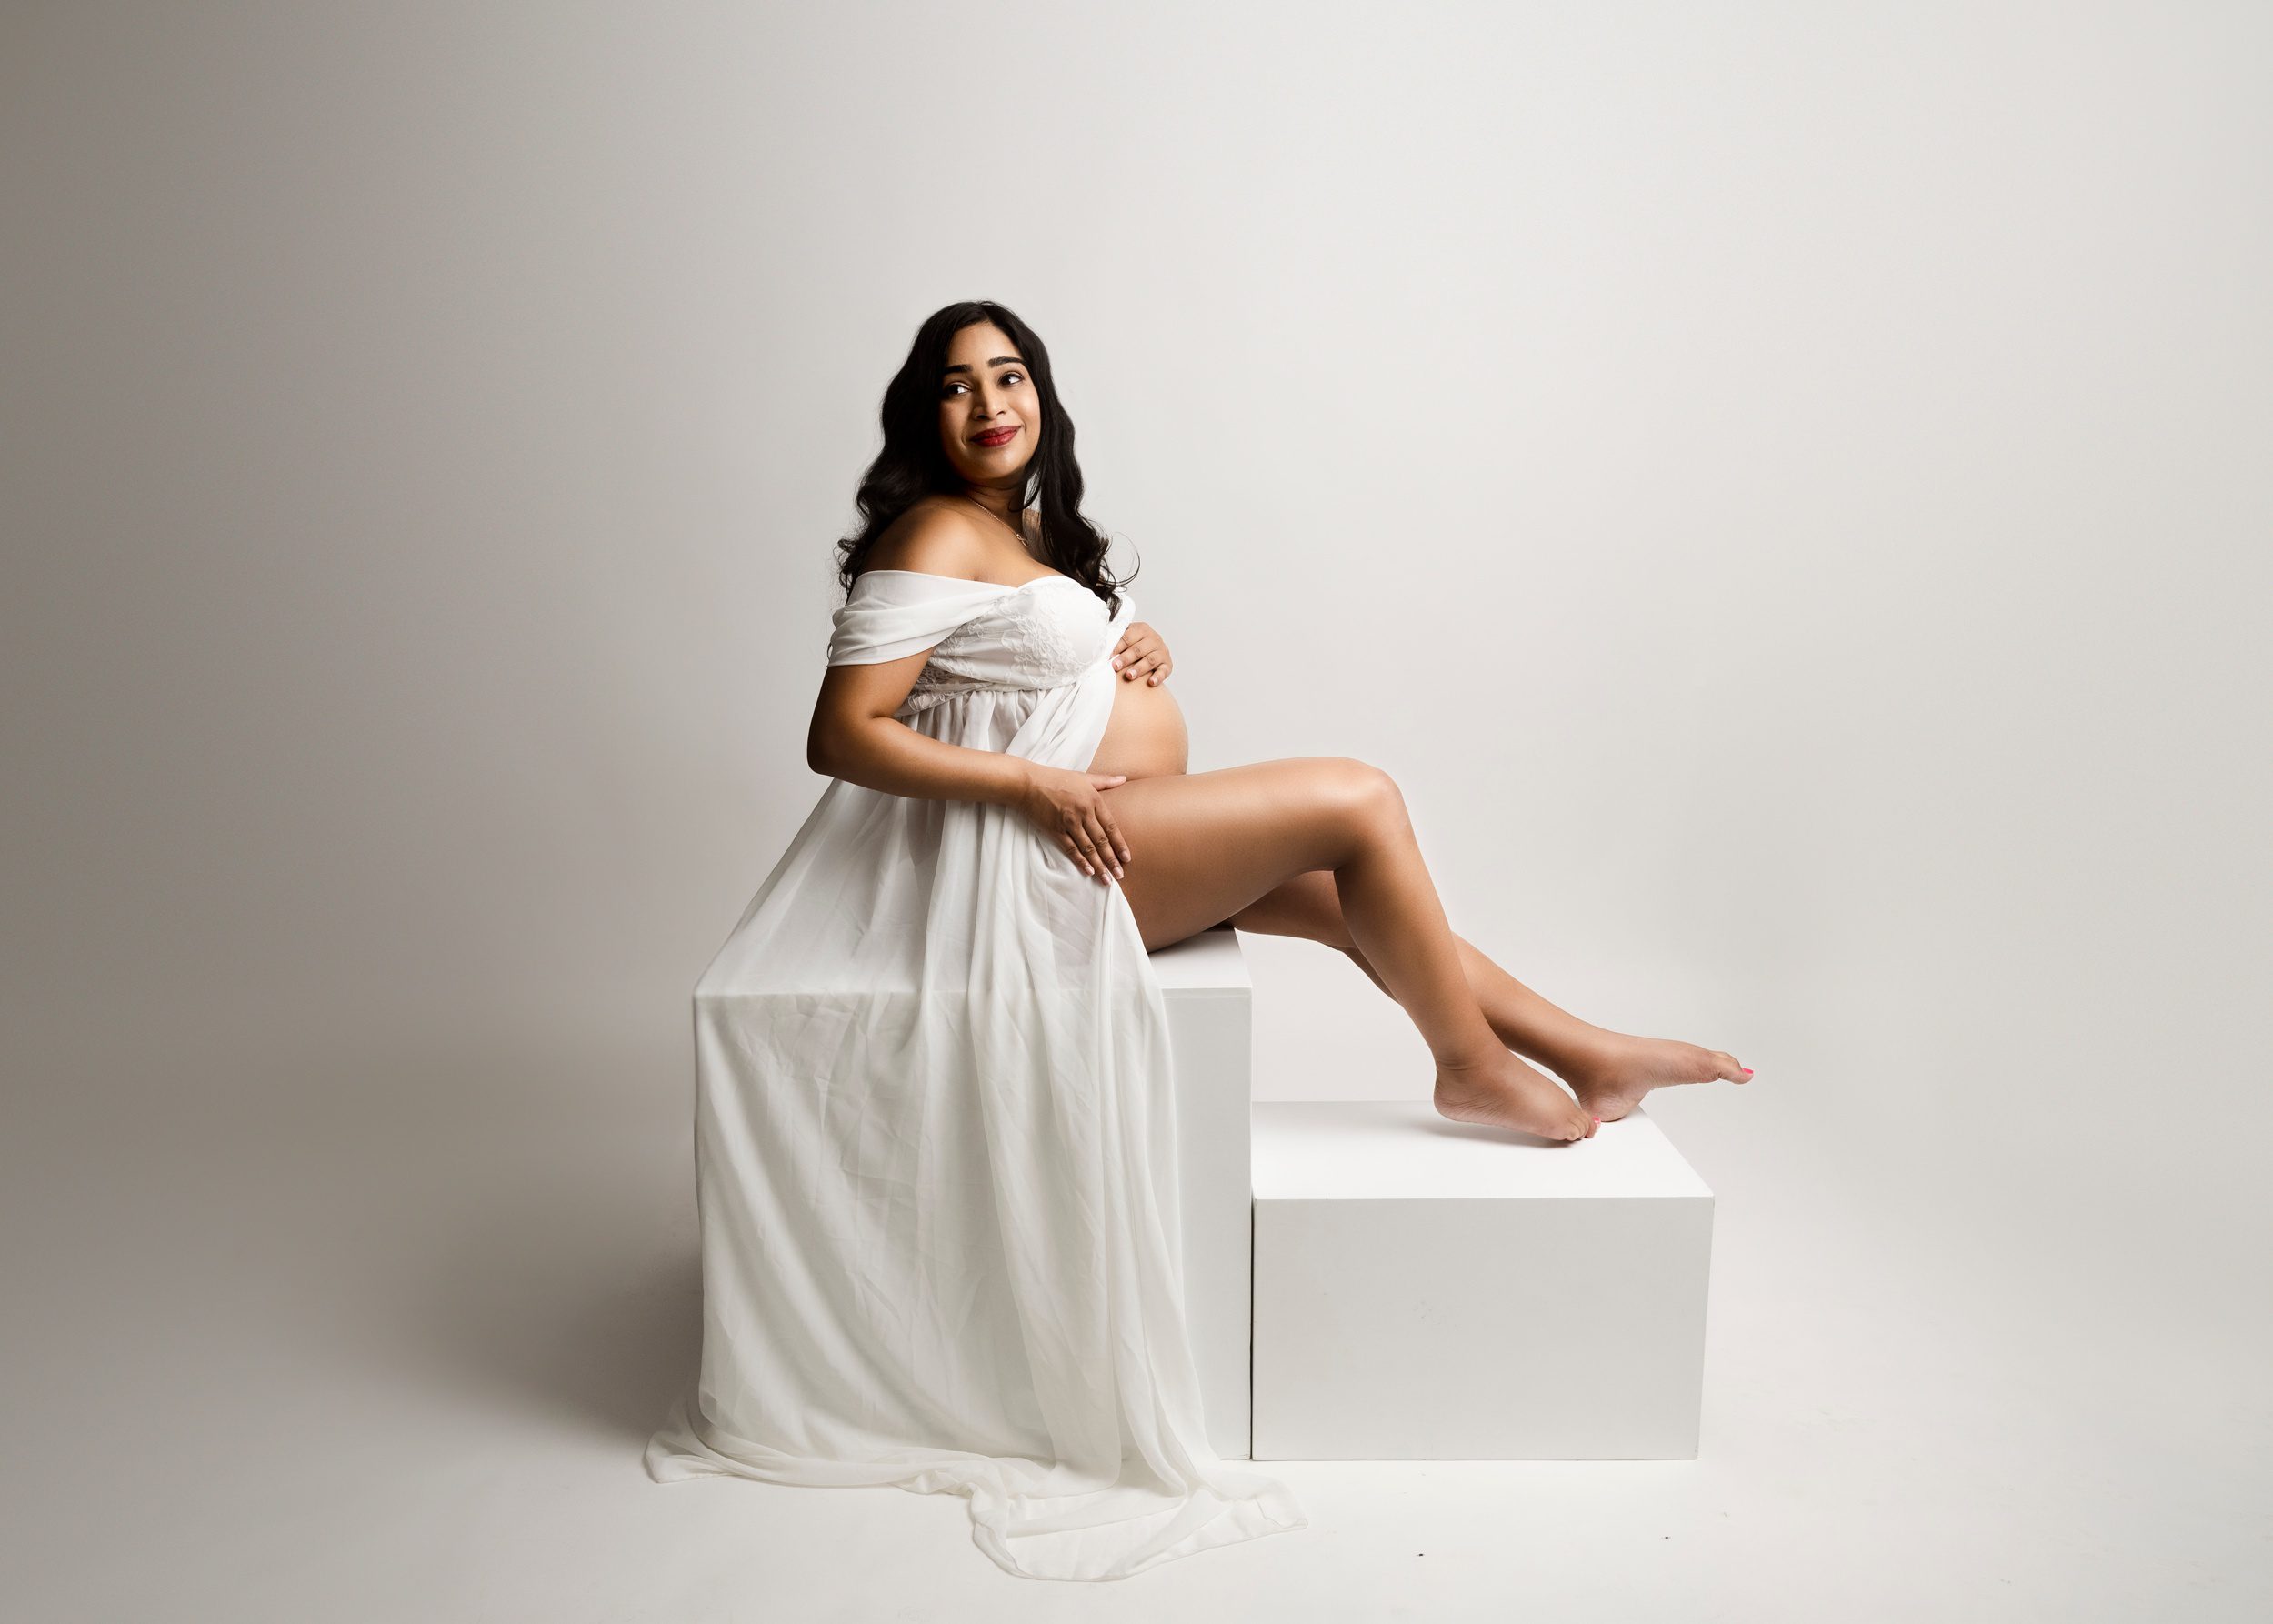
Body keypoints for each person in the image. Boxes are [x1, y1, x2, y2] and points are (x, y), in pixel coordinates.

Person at [645, 301, 1750, 1581]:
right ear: (922, 415)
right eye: (956, 385)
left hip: (1095, 839)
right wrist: (1039, 784)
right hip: (1038, 862)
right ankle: (1467, 1062)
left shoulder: (1021, 532)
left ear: (1042, 394)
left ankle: (1587, 1051)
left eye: (1010, 375)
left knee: (1338, 893)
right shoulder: (934, 527)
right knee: (1360, 801)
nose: (990, 403)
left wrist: (1119, 645)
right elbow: (842, 733)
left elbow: (998, 668)